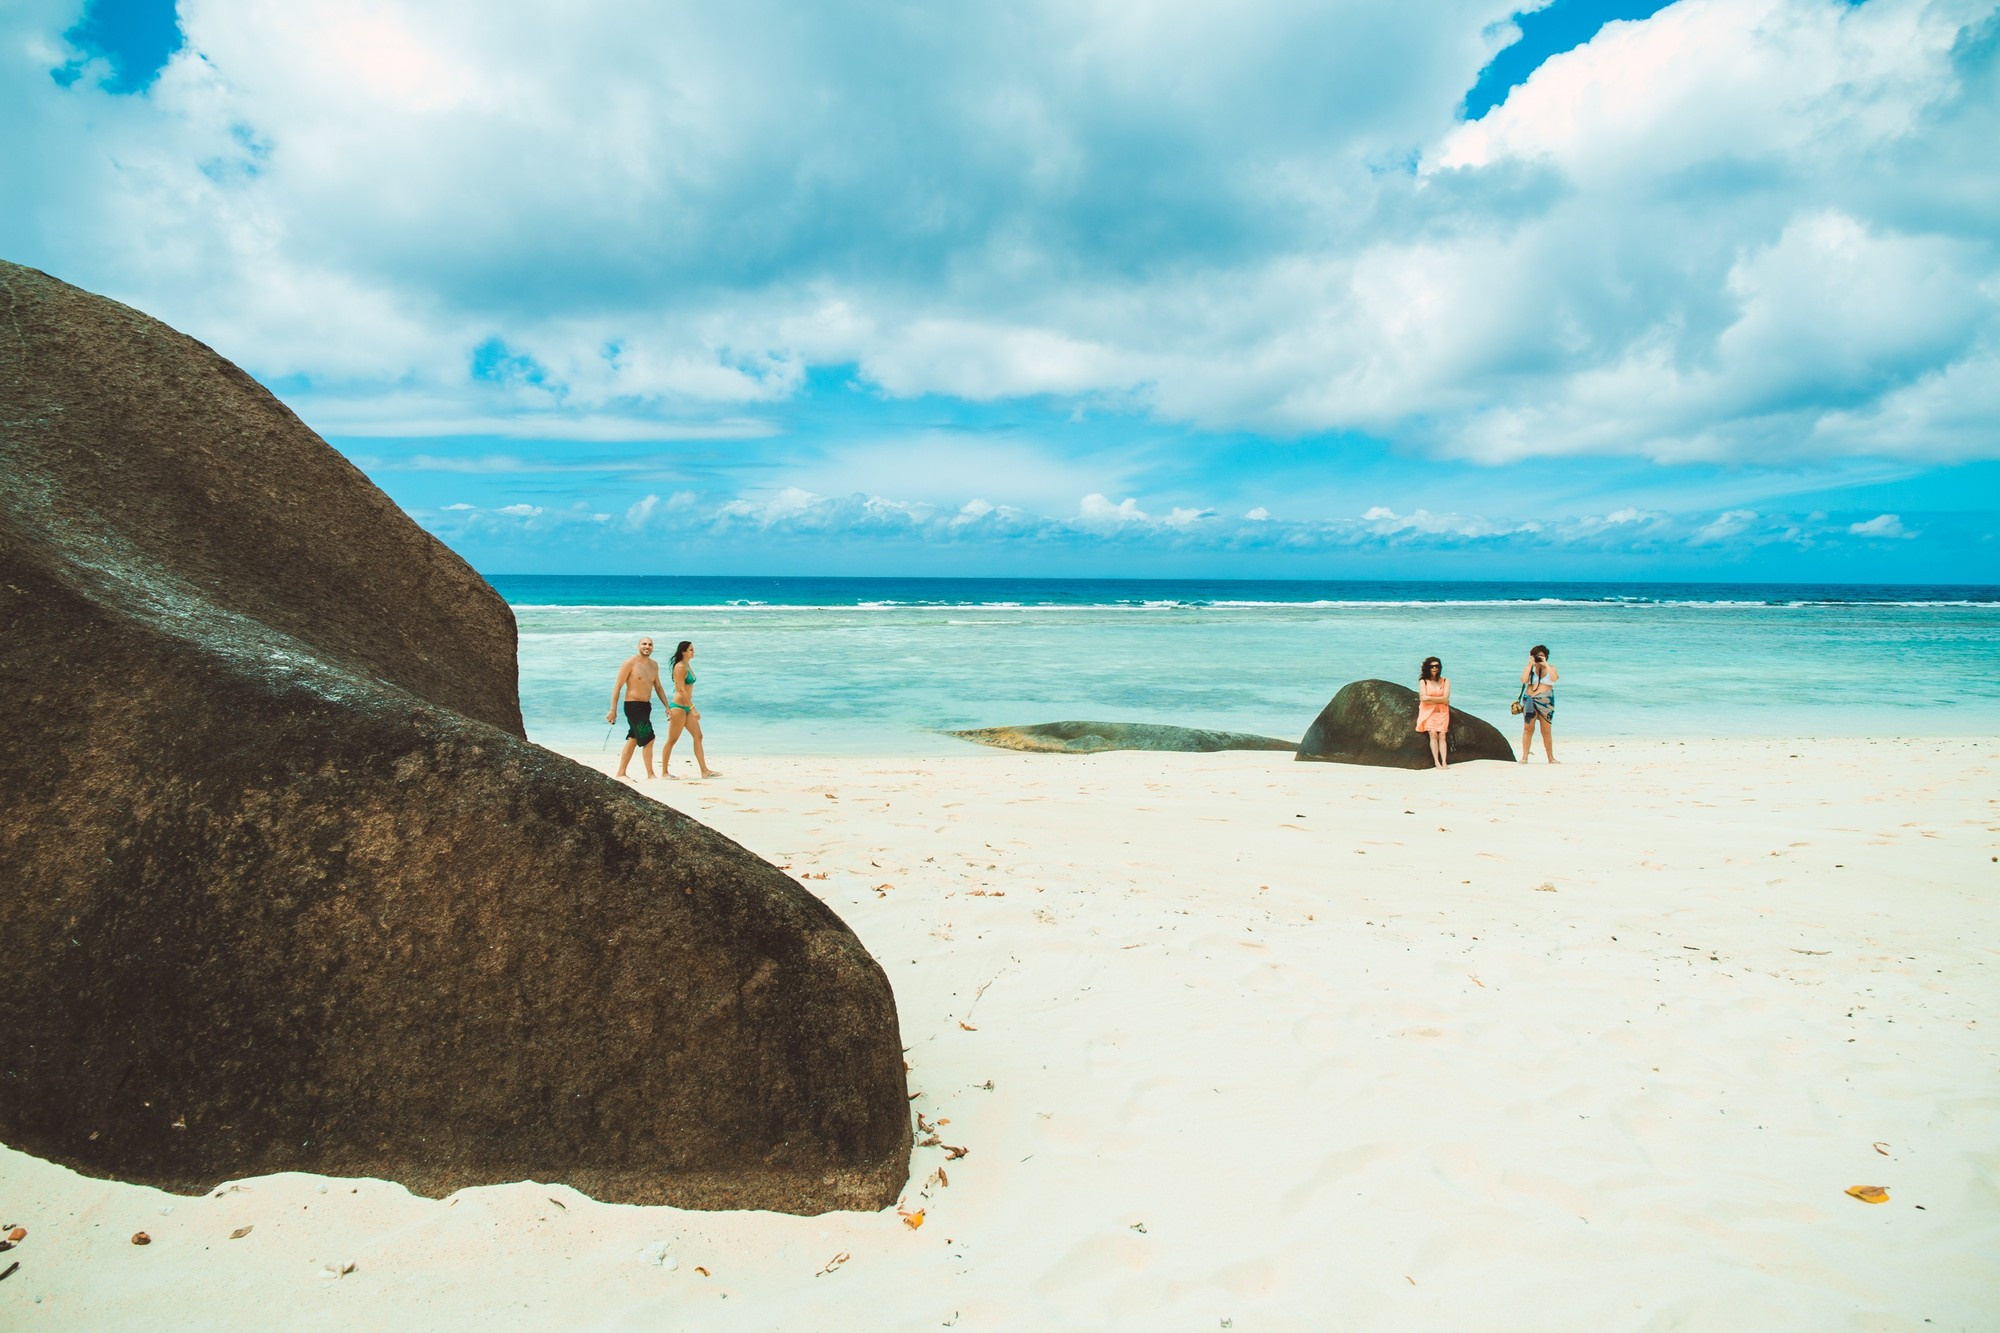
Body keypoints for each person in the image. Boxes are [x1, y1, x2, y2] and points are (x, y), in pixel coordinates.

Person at [606, 636, 669, 779]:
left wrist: (667, 706)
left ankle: (621, 773)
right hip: (632, 706)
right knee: (649, 737)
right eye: (644, 644)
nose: (647, 646)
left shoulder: (654, 665)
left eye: (650, 644)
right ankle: (650, 774)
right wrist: (613, 710)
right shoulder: (630, 663)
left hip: (646, 706)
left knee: (633, 738)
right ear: (638, 646)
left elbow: (658, 687)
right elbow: (618, 686)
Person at [662, 639, 719, 779]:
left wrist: (690, 707)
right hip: (679, 708)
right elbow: (681, 690)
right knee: (672, 740)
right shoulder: (680, 667)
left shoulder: (687, 665)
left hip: (687, 707)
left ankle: (704, 771)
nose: (694, 652)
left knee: (698, 736)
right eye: (691, 650)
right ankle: (664, 772)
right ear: (683, 652)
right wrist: (693, 708)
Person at [1518, 644, 1558, 763]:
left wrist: (1545, 664)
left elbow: (1554, 678)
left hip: (1546, 701)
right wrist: (1530, 665)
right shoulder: (1530, 668)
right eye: (1536, 656)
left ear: (1546, 656)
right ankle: (1524, 757)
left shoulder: (1551, 667)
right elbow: (1523, 680)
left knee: (1546, 730)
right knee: (1528, 729)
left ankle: (1551, 758)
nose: (1539, 658)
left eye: (1541, 656)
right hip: (1530, 699)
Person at [1415, 655, 1451, 768]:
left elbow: (1446, 698)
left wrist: (1430, 698)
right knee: (1433, 734)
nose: (1434, 668)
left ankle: (1444, 761)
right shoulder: (1424, 682)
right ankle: (1436, 762)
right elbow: (1423, 698)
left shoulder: (1445, 681)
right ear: (1428, 668)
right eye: (1432, 666)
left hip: (1442, 712)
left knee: (1443, 735)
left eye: (1437, 666)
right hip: (1428, 712)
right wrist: (1440, 700)